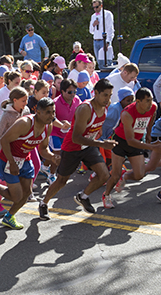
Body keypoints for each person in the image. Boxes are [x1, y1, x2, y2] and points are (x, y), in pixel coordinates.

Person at [39, 79, 117, 219]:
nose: (108, 99)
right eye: (105, 95)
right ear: (96, 93)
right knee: (62, 181)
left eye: (110, 95)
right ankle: (43, 203)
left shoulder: (106, 105)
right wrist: (101, 144)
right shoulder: (85, 109)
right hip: (72, 147)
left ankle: (83, 196)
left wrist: (98, 135)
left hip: (88, 146)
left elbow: (95, 127)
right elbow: (76, 138)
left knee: (104, 175)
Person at [0, 97, 57, 229]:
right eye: (48, 112)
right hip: (8, 159)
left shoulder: (48, 126)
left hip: (25, 159)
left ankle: (9, 217)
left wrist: (53, 157)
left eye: (53, 112)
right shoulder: (25, 123)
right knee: (17, 197)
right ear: (38, 112)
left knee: (26, 194)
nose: (51, 116)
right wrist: (12, 162)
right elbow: (4, 140)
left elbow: (43, 149)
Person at [90, 0, 114, 65]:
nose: (95, 9)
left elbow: (110, 29)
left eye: (97, 7)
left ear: (101, 6)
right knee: (99, 63)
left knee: (107, 62)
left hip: (104, 40)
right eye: (94, 7)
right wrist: (93, 25)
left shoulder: (107, 14)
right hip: (96, 41)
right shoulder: (93, 16)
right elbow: (91, 31)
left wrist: (108, 42)